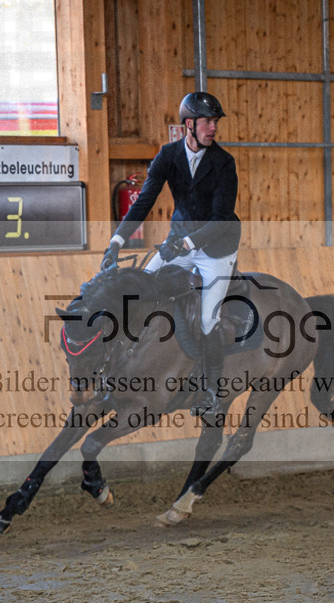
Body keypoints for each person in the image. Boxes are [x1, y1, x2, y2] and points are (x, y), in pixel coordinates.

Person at [100, 91, 241, 415]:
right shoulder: (168, 155)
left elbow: (221, 218)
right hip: (179, 239)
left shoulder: (224, 163)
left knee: (208, 318)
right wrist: (116, 242)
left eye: (215, 122)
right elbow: (144, 201)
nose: (213, 128)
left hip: (216, 248)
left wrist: (187, 245)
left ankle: (210, 392)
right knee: (137, 290)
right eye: (207, 121)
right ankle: (115, 367)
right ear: (189, 124)